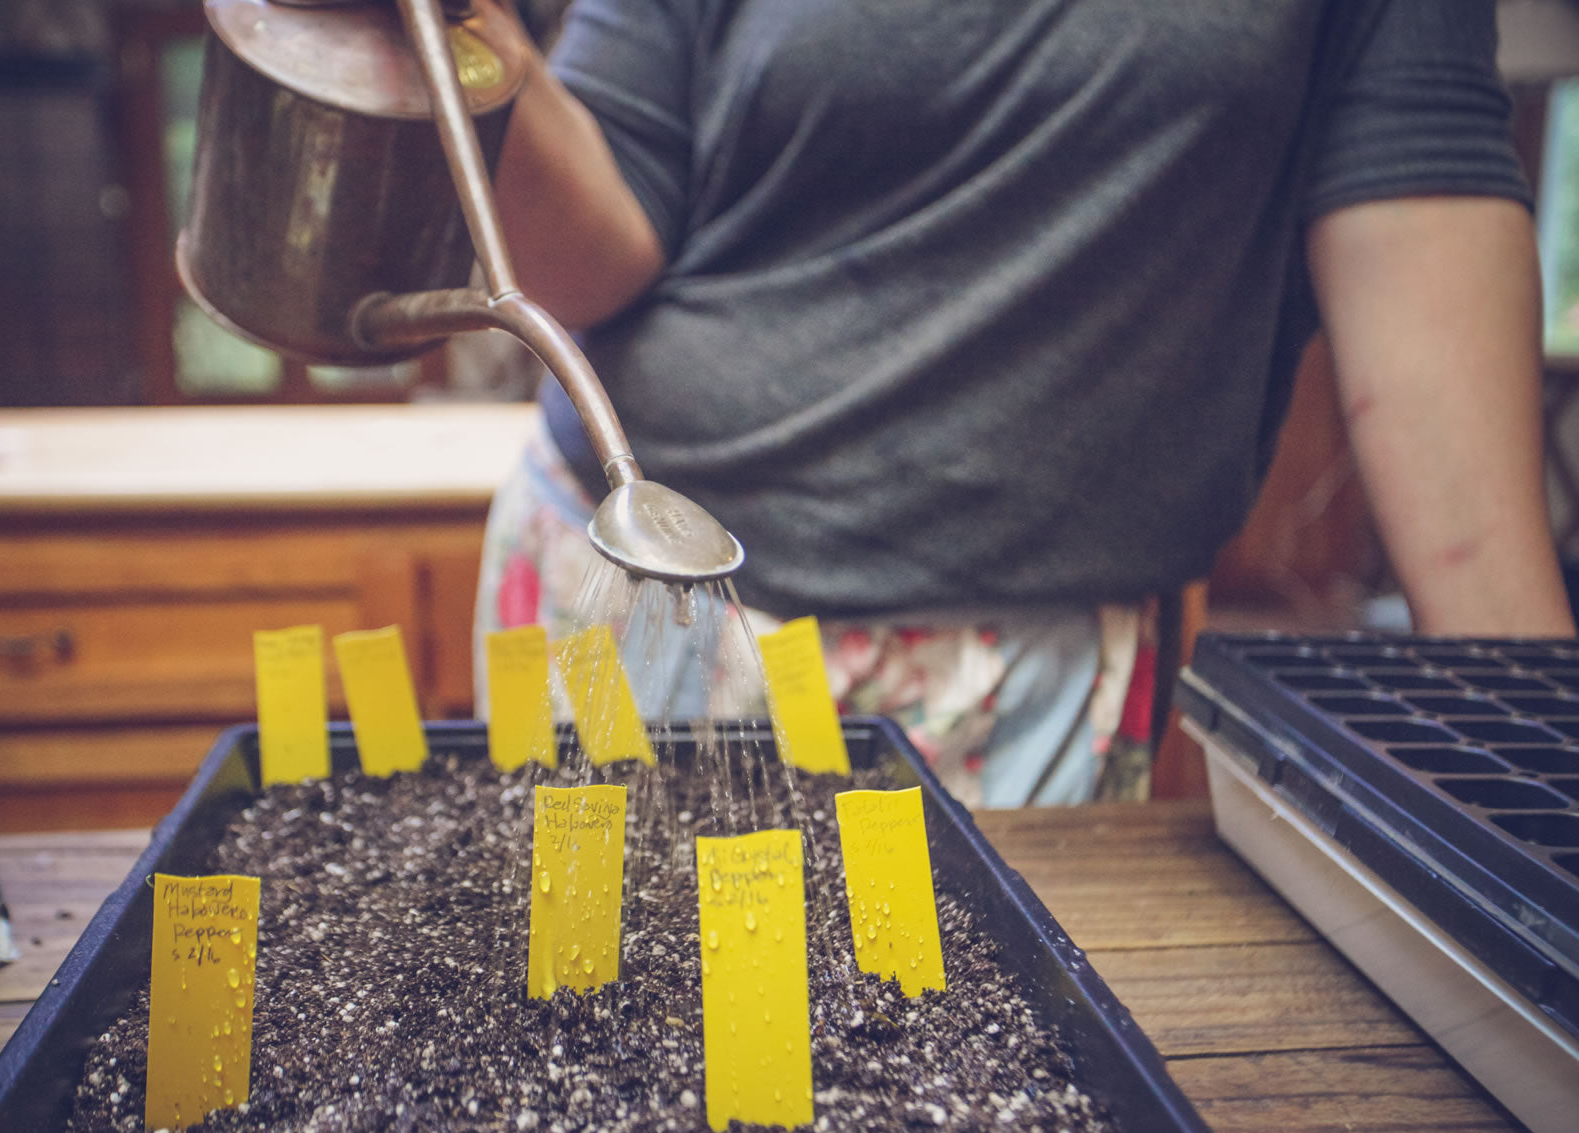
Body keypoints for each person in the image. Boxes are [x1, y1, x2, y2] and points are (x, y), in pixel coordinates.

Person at [470, 0, 1577, 808]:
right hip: (621, 581)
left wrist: (1539, 756)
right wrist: (472, 49)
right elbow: (598, 234)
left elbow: (1427, 217)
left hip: (1018, 675)